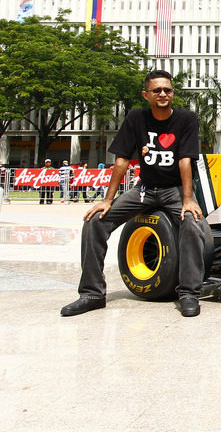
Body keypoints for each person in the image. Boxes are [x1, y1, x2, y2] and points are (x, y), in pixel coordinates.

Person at [61, 69, 206, 318]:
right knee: (95, 221)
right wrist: (107, 200)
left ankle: (189, 293)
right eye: (157, 90)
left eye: (167, 90)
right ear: (146, 95)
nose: (163, 94)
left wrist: (188, 199)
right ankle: (92, 293)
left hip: (174, 190)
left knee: (191, 223)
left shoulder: (186, 119)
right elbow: (122, 160)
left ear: (172, 94)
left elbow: (185, 161)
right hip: (145, 189)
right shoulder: (136, 118)